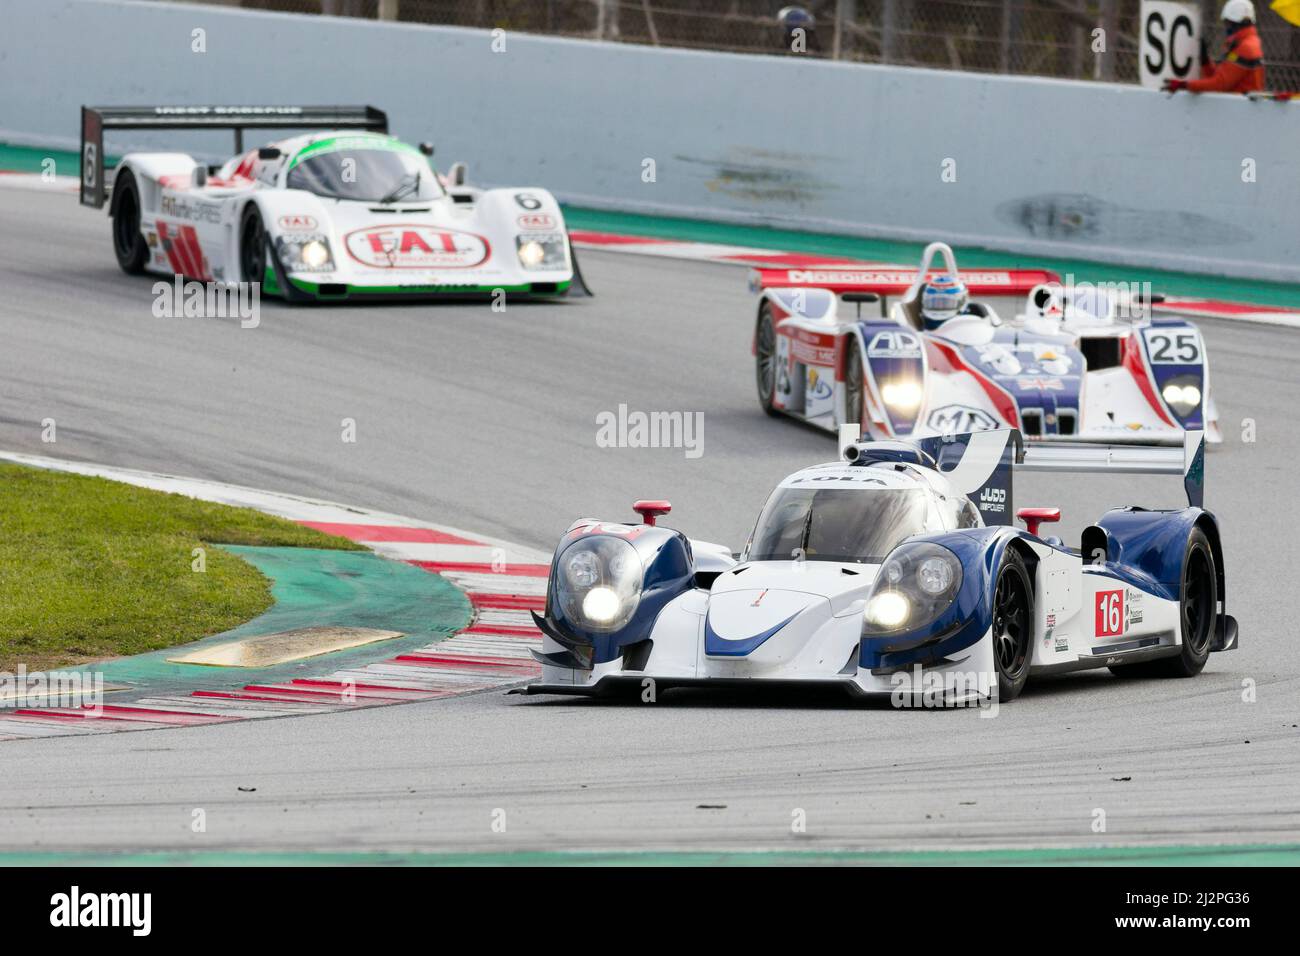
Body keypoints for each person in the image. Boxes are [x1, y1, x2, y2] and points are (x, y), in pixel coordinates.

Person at [1163, 1, 1265, 94]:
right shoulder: (1246, 43)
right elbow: (1219, 77)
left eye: (1227, 23)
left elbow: (1220, 84)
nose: (1226, 28)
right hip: (1238, 107)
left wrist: (1184, 85)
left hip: (1240, 109)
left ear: (1236, 24)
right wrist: (1205, 61)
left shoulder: (1246, 48)